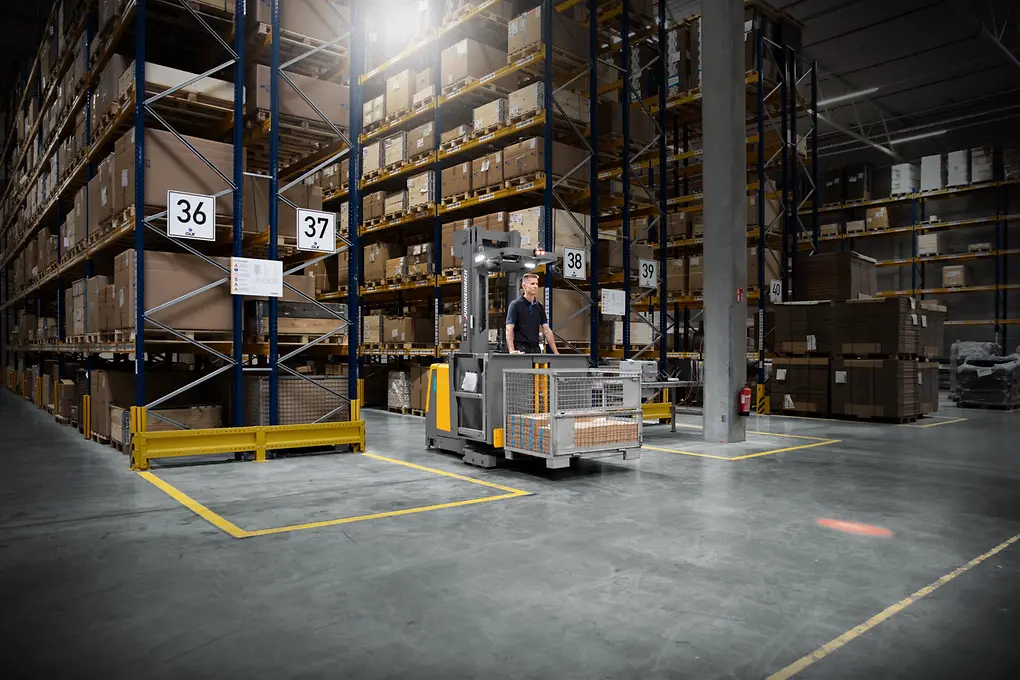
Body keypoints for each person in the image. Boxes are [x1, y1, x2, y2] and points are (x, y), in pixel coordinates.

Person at [505, 273, 559, 354]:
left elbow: (547, 330)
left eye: (537, 284)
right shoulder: (515, 305)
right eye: (532, 284)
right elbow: (509, 329)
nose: (535, 286)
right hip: (520, 348)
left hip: (535, 348)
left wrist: (556, 352)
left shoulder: (539, 307)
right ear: (524, 286)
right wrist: (511, 351)